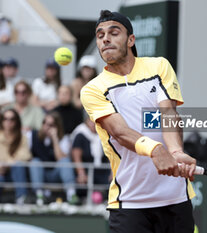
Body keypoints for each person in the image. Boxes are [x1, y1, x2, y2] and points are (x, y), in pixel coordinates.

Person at [80, 10, 196, 233]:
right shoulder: (93, 89)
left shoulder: (159, 66)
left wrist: (175, 151)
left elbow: (168, 113)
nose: (105, 39)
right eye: (100, 34)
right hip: (129, 202)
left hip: (176, 199)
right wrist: (155, 149)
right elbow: (120, 132)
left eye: (114, 33)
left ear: (131, 40)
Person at [28, 112, 78, 205]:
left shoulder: (63, 138)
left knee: (65, 161)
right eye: (44, 123)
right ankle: (39, 195)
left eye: (50, 125)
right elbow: (27, 156)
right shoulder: (32, 135)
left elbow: (61, 158)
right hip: (39, 173)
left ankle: (71, 193)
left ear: (57, 126)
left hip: (56, 174)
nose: (46, 126)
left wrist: (54, 138)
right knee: (35, 161)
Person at [71, 114, 110, 198]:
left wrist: (112, 172)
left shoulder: (103, 134)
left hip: (101, 170)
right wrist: (81, 173)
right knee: (82, 186)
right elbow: (76, 157)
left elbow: (110, 154)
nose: (93, 123)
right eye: (90, 121)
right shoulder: (80, 134)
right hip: (86, 170)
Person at [0, 109, 32, 204]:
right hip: (1, 174)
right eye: (5, 119)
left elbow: (25, 156)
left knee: (18, 166)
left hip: (16, 173)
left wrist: (5, 165)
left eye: (12, 119)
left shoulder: (22, 138)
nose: (8, 122)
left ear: (16, 121)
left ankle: (21, 198)